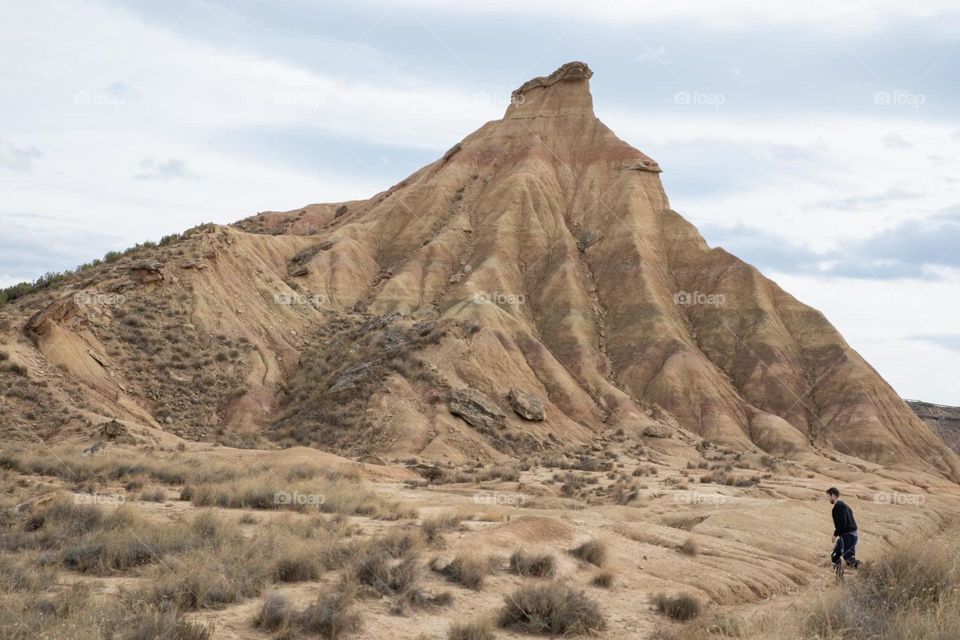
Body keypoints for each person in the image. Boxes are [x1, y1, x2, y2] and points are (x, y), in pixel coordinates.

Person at [826, 487, 860, 568]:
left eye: (828, 496)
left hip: (847, 536)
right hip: (852, 536)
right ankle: (866, 570)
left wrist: (835, 534)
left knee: (836, 556)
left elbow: (842, 523)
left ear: (833, 495)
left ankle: (839, 579)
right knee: (850, 560)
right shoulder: (845, 506)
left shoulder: (838, 506)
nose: (828, 499)